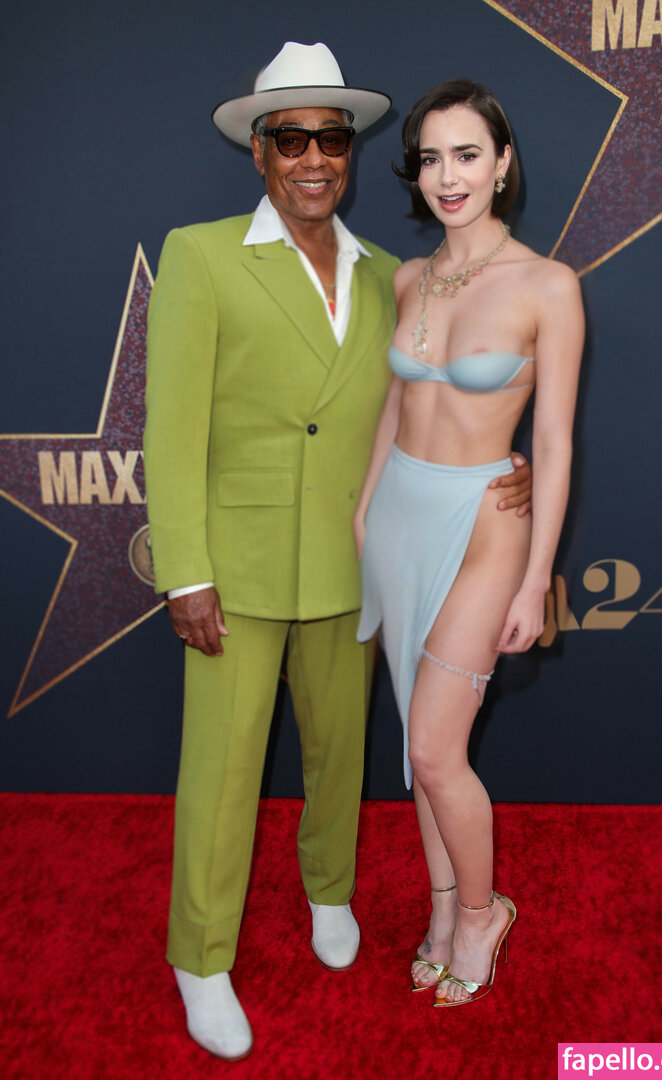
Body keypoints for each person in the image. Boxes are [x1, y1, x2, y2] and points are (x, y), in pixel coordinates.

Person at [144, 45, 531, 1057]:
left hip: (356, 558)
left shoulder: (389, 277)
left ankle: (329, 893)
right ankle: (200, 959)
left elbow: (432, 404)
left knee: (338, 754)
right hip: (234, 567)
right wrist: (185, 569)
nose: (313, 157)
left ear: (351, 152)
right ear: (259, 151)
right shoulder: (201, 254)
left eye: (332, 138)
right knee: (221, 774)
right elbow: (170, 429)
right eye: (291, 138)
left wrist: (507, 460)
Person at [355, 80, 584, 1007]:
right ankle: (445, 905)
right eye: (430, 158)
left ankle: (484, 913)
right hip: (399, 518)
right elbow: (395, 402)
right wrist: (364, 511)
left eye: (467, 154)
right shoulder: (409, 277)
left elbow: (555, 443)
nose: (447, 176)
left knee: (437, 748)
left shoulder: (548, 285)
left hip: (486, 525)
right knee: (419, 746)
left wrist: (536, 582)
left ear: (502, 164)